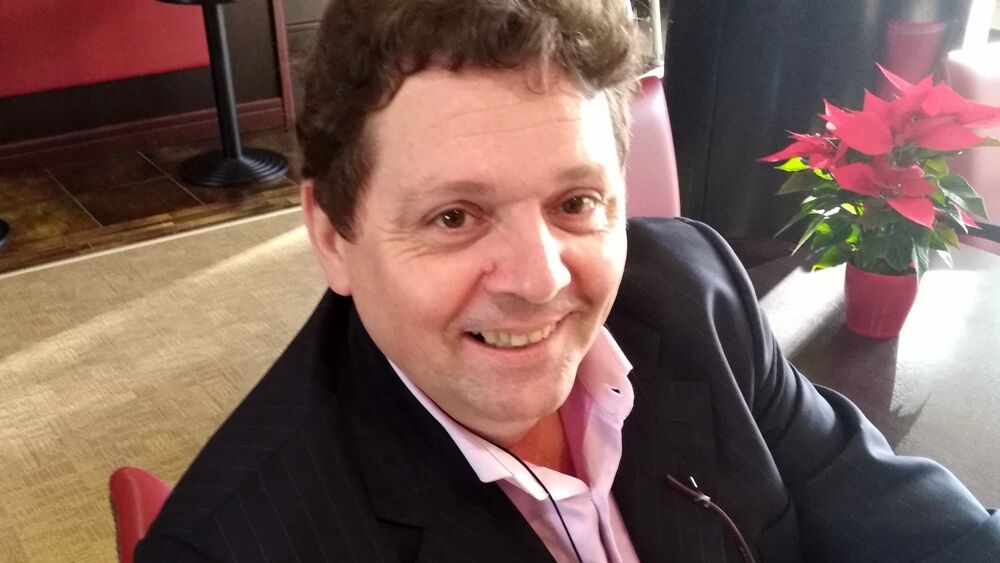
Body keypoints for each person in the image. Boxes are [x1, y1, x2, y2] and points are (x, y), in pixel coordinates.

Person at [137, 1, 1000, 561]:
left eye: (576, 202)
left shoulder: (694, 293)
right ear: (333, 235)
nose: (540, 278)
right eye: (454, 216)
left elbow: (906, 520)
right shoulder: (239, 543)